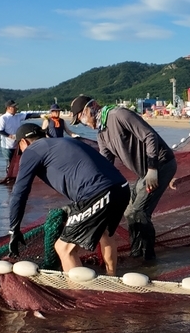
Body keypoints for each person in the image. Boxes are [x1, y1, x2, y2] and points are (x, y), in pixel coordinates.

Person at [68, 94, 178, 265]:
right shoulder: (102, 134)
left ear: (92, 107)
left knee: (139, 211)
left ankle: (148, 258)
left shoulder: (118, 115)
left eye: (82, 116)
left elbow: (150, 136)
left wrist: (152, 169)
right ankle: (137, 252)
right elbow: (106, 165)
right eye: (79, 120)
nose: (83, 122)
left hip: (161, 164)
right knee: (128, 211)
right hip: (145, 173)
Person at [6, 123, 130, 275]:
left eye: (20, 150)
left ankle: (79, 295)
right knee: (105, 233)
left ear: (23, 142)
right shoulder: (65, 141)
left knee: (63, 248)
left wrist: (14, 229)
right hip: (122, 187)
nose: (22, 154)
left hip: (97, 193)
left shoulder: (32, 150)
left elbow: (19, 192)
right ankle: (112, 278)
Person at [0, 100, 29, 165]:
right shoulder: (3, 118)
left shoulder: (18, 116)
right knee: (9, 164)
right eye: (14, 107)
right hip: (7, 146)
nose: (16, 108)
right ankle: (9, 175)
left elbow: (29, 115)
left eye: (16, 106)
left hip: (17, 145)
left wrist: (41, 115)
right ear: (9, 108)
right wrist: (10, 136)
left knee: (19, 162)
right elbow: (0, 131)